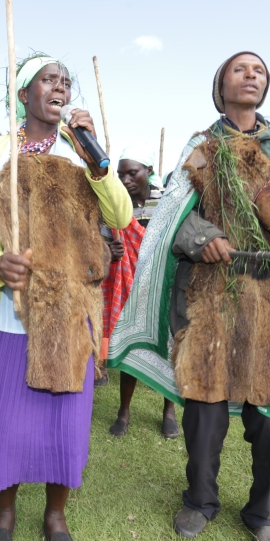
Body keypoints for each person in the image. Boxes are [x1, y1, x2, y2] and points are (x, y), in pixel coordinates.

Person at [108, 52, 270, 541]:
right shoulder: (202, 147)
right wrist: (202, 235)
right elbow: (173, 210)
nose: (251, 75)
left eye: (259, 71)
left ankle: (265, 511)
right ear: (220, 85)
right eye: (240, 69)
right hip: (210, 291)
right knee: (204, 400)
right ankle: (200, 498)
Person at [0, 53, 131, 541]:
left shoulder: (84, 154)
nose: (60, 87)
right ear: (25, 93)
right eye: (48, 79)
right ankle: (4, 514)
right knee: (4, 419)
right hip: (11, 312)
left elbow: (121, 214)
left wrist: (99, 163)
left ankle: (56, 517)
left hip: (72, 311)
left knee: (64, 425)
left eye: (65, 82)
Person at [104, 145, 179, 438]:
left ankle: (169, 411)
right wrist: (109, 249)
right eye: (120, 174)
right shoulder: (117, 206)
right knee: (131, 344)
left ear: (148, 171)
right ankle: (124, 411)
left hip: (165, 283)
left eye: (132, 172)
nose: (125, 180)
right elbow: (103, 234)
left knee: (170, 345)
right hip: (131, 286)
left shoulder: (168, 204)